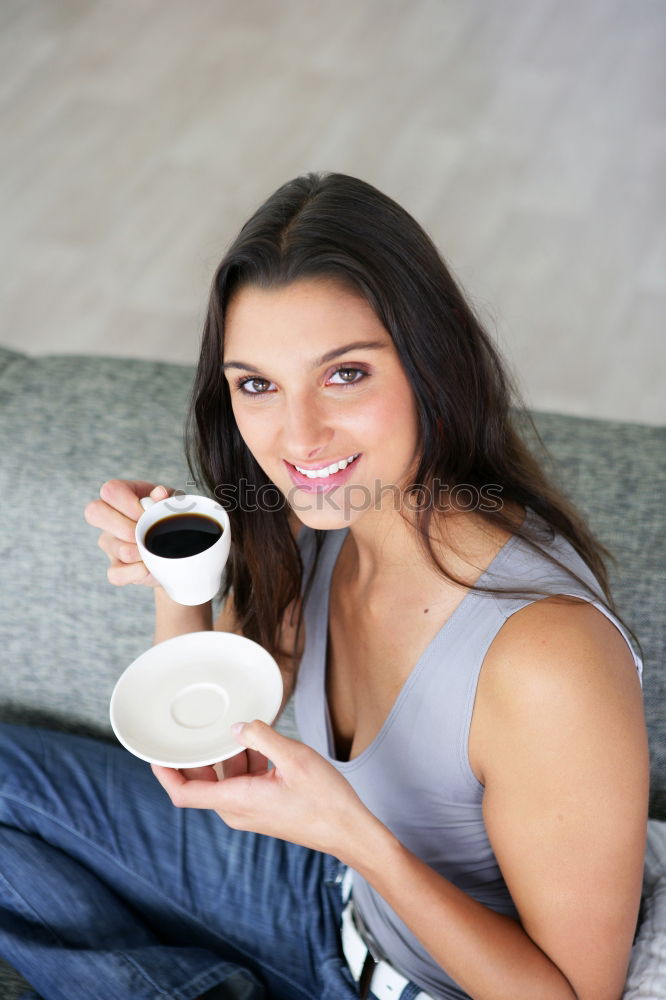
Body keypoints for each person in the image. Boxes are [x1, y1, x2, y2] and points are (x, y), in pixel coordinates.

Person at [0, 172, 649, 1000]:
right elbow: (220, 754)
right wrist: (180, 580)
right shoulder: (323, 523)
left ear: (430, 366)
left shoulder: (546, 656)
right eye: (258, 384)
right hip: (333, 904)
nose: (298, 436)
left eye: (345, 374)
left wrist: (356, 837)